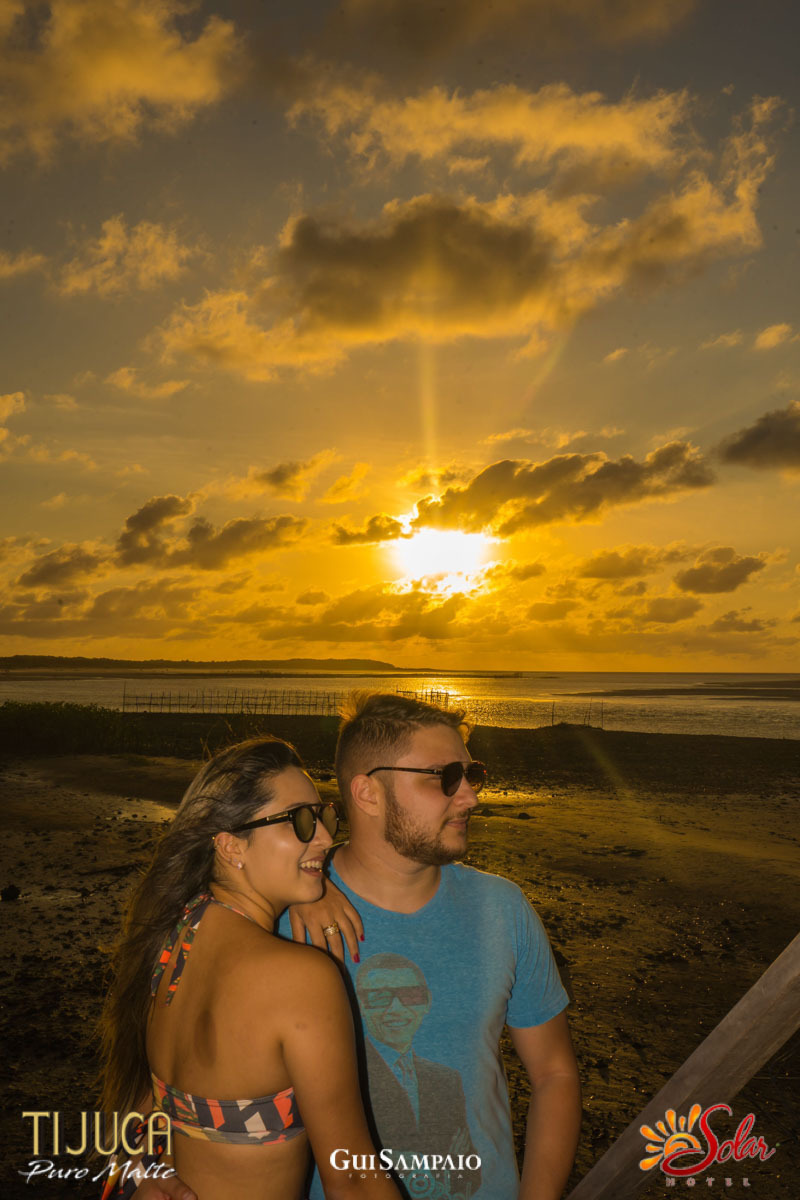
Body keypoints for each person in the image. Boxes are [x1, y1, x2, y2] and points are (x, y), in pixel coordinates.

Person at [133, 695, 580, 1200]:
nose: (470, 797)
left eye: (471, 774)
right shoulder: (279, 920)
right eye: (443, 777)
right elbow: (171, 1082)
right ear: (366, 793)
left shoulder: (503, 908)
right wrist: (142, 1165)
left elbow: (555, 1073)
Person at [98, 735, 401, 1200]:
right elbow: (354, 1178)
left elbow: (150, 1103)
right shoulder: (301, 978)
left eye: (324, 815)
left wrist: (137, 1169)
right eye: (300, 821)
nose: (324, 836)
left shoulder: (173, 938)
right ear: (230, 845)